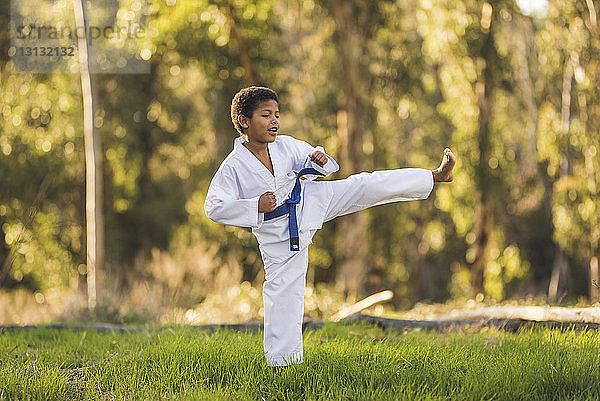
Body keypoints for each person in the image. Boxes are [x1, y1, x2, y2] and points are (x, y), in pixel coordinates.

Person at [204, 86, 456, 367]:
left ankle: (433, 176)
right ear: (244, 121)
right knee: (283, 294)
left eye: (277, 114)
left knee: (363, 185)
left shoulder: (285, 145)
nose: (275, 120)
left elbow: (316, 160)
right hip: (279, 236)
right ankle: (282, 364)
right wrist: (254, 205)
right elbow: (213, 206)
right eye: (266, 115)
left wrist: (319, 160)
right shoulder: (233, 166)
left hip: (309, 203)